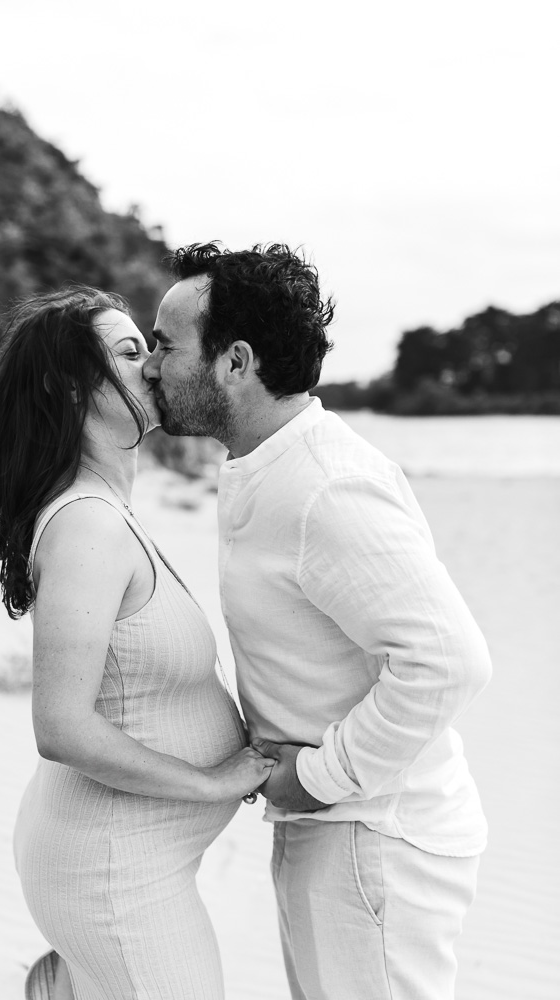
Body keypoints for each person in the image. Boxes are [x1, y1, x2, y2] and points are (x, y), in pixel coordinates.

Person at [143, 243, 493, 1000]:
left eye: (166, 345)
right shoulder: (267, 464)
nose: (149, 365)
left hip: (374, 838)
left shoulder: (323, 487)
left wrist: (316, 777)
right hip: (338, 828)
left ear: (234, 363)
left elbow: (448, 660)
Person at [0, 286, 275, 1000]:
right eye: (127, 351)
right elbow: (61, 726)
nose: (150, 366)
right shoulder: (87, 525)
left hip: (120, 855)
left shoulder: (108, 509)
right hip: (114, 872)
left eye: (149, 347)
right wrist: (210, 782)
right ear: (70, 384)